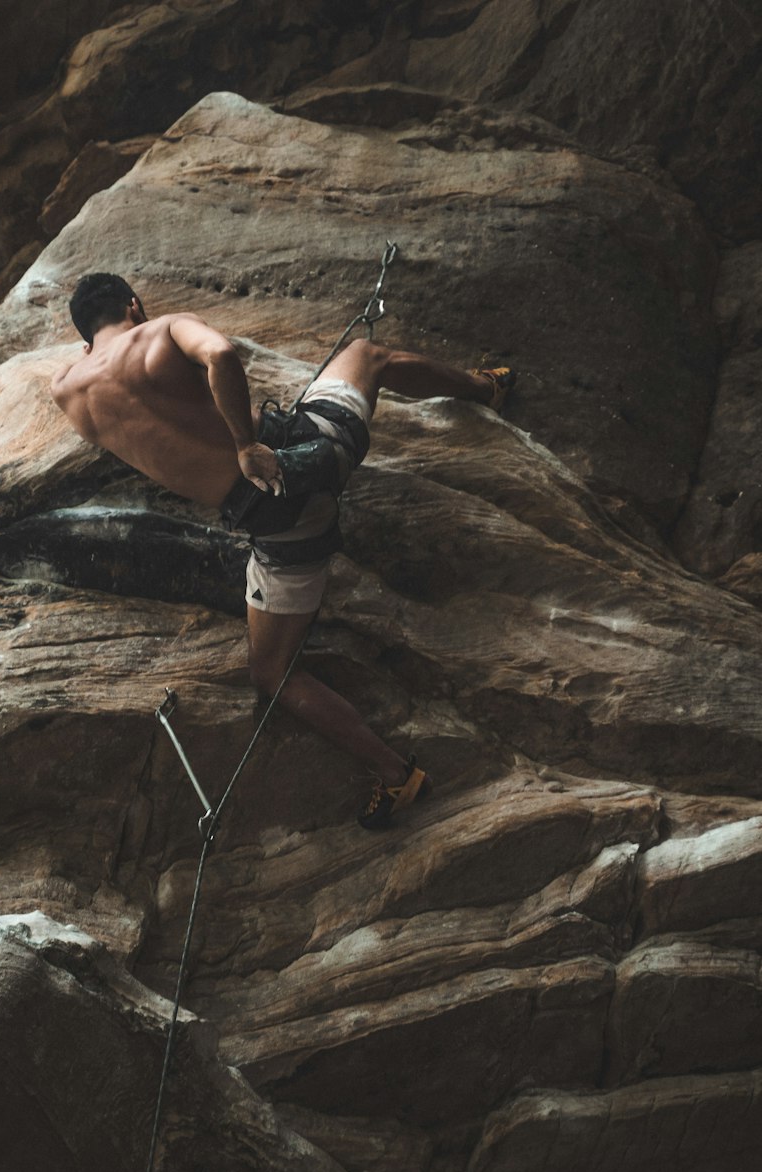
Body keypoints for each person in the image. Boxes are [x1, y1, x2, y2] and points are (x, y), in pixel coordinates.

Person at [51, 273, 515, 827]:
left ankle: (397, 775)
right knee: (369, 355)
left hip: (282, 528)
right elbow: (220, 354)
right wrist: (246, 444)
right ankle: (488, 388)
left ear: (84, 338)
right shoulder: (164, 330)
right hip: (317, 450)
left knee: (270, 672)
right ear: (134, 304)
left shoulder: (67, 389)